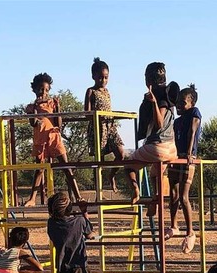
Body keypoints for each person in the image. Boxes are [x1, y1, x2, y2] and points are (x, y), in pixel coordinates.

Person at [24, 72, 81, 207]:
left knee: (66, 166)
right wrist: (35, 111)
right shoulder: (31, 107)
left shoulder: (52, 103)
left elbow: (58, 123)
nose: (43, 93)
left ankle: (78, 196)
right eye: (40, 89)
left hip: (53, 137)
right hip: (40, 139)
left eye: (46, 90)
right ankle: (32, 199)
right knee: (39, 169)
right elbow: (33, 123)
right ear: (34, 89)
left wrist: (58, 108)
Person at [128, 62, 179, 208]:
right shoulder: (169, 95)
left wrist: (154, 102)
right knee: (154, 173)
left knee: (129, 167)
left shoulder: (160, 98)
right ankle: (155, 201)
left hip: (158, 147)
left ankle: (135, 190)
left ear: (149, 80)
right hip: (171, 147)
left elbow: (159, 123)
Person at [165, 84, 202, 254]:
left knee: (183, 196)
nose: (179, 105)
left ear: (192, 103)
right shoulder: (177, 120)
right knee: (172, 193)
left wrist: (188, 153)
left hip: (187, 158)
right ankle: (173, 225)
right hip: (175, 157)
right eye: (178, 102)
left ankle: (190, 232)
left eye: (183, 103)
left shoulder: (194, 114)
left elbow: (192, 131)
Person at [84, 57, 126, 193]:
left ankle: (111, 175)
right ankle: (99, 191)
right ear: (93, 77)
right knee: (99, 161)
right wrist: (97, 115)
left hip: (110, 126)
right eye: (100, 78)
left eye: (106, 77)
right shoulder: (91, 91)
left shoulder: (107, 92)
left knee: (121, 153)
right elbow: (86, 113)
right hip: (98, 127)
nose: (103, 81)